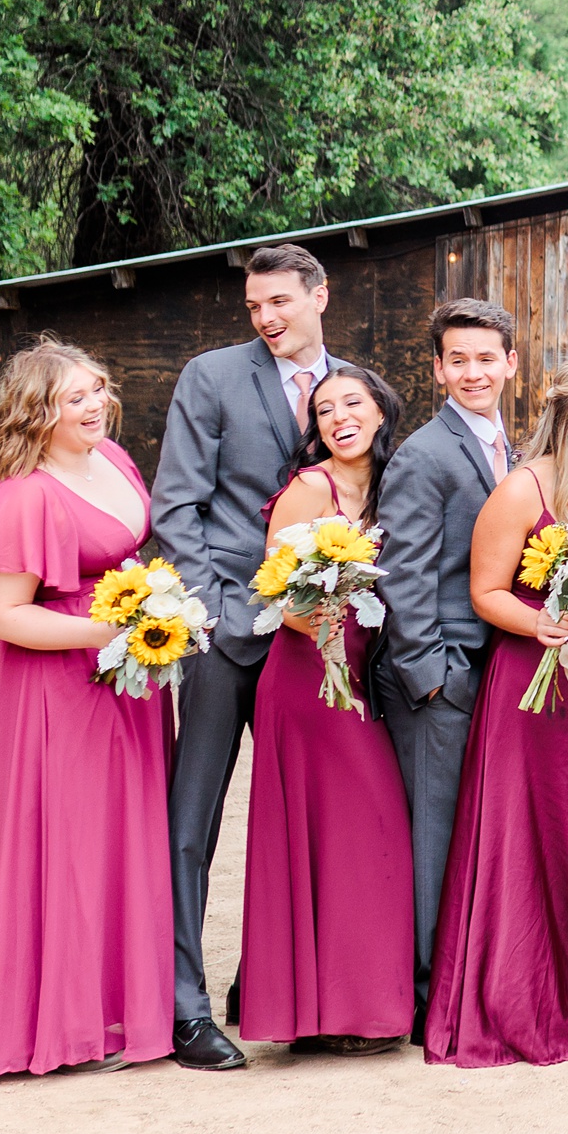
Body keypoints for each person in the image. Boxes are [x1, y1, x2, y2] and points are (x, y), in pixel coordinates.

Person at [150, 243, 349, 1071]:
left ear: (319, 296)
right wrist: (226, 615)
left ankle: (283, 996)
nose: (266, 318)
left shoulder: (351, 390)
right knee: (191, 824)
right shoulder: (212, 377)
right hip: (225, 635)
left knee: (305, 820)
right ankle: (181, 1007)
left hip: (316, 648)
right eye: (254, 307)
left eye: (280, 303)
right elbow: (177, 506)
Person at [0, 341, 173, 1079]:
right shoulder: (25, 495)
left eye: (98, 391)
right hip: (57, 689)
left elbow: (131, 556)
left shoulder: (116, 462)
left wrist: (150, 620)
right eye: (74, 397)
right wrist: (109, 633)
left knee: (124, 841)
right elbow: (3, 614)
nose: (94, 406)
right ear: (36, 411)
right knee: (70, 846)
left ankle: (119, 1013)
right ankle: (63, 1024)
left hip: (129, 680)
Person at [425, 360, 568, 1067]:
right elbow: (485, 590)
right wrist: (537, 624)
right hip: (535, 687)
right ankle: (525, 990)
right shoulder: (523, 491)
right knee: (537, 831)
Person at [238, 365, 416, 1055]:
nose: (339, 416)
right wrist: (324, 612)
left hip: (365, 678)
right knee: (345, 833)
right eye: (324, 410)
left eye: (353, 403)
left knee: (362, 839)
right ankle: (327, 1015)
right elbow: (275, 592)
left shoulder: (394, 485)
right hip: (308, 678)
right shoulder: (309, 490)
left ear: (380, 411)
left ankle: (354, 1007)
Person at [371, 300, 521, 1027]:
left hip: (493, 672)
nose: (473, 372)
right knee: (432, 835)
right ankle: (430, 995)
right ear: (436, 370)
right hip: (439, 680)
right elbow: (401, 575)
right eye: (457, 360)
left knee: (470, 830)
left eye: (486, 358)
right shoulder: (424, 455)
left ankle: (464, 973)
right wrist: (431, 675)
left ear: (511, 365)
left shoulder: (511, 453)